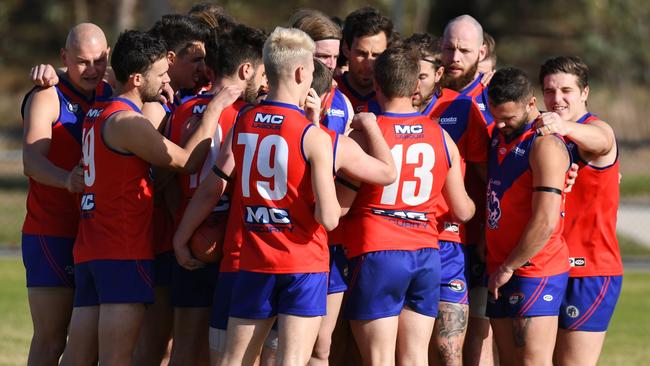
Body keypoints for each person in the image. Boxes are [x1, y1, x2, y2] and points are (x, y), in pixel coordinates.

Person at [59, 30, 240, 366]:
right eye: (159, 74)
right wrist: (214, 108)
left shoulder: (98, 112)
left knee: (78, 357)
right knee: (117, 358)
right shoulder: (128, 121)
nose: (166, 79)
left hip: (92, 249)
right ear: (138, 78)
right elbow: (188, 162)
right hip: (122, 249)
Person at [173, 26, 340, 366]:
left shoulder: (245, 121)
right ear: (300, 72)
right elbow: (329, 217)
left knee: (235, 360)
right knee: (291, 361)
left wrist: (182, 236)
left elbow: (213, 184)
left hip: (253, 260)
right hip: (302, 264)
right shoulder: (314, 136)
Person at [336, 46, 475, 366]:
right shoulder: (441, 135)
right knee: (414, 358)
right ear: (416, 87)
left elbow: (341, 207)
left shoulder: (364, 135)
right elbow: (464, 211)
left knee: (379, 358)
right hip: (426, 255)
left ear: (377, 84)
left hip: (377, 252)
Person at [167, 23, 268, 366]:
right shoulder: (252, 116)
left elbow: (166, 179)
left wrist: (181, 226)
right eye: (263, 71)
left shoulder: (183, 108)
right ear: (246, 70)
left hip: (193, 236)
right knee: (237, 353)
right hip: (237, 244)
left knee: (186, 347)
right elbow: (220, 182)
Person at [21, 22, 110, 366]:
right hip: (51, 231)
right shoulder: (48, 94)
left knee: (91, 341)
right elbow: (30, 160)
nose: (91, 70)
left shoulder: (108, 88)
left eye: (99, 61)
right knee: (51, 338)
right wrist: (67, 180)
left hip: (95, 233)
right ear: (64, 57)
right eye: (81, 62)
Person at [537, 56, 622, 366]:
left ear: (585, 92)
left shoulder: (592, 129)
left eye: (566, 91)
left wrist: (562, 125)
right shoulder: (546, 134)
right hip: (546, 268)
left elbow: (603, 140)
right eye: (549, 91)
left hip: (589, 270)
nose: (557, 99)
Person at [485, 67, 571, 366]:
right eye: (495, 116)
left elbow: (546, 221)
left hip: (535, 269)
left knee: (532, 361)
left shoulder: (544, 143)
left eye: (508, 118)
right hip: (500, 266)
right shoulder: (497, 136)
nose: (501, 124)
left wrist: (509, 266)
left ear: (531, 104)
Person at [291, 9, 354, 134]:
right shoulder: (275, 96)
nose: (331, 65)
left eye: (335, 57)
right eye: (323, 56)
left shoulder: (343, 103)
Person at [336, 7, 393, 113]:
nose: (368, 65)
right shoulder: (329, 92)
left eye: (376, 55)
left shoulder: (395, 97)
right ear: (346, 49)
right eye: (361, 54)